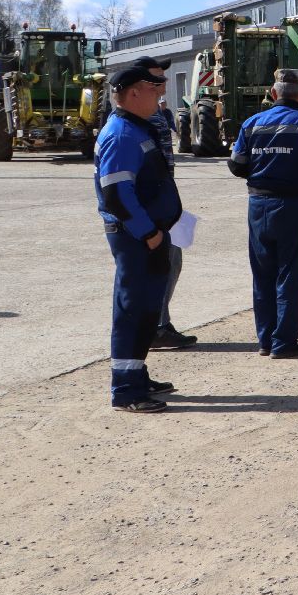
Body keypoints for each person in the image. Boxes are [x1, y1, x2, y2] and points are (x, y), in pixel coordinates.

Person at [94, 64, 182, 413]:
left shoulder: (134, 128)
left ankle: (136, 374)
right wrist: (149, 233)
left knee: (146, 311)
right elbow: (116, 194)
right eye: (153, 89)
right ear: (132, 93)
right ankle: (126, 390)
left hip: (148, 235)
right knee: (133, 311)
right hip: (137, 237)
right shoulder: (121, 134)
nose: (160, 95)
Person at [228, 68, 298, 358]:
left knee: (262, 275)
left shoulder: (251, 123)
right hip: (291, 205)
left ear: (273, 94)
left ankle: (265, 340)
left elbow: (237, 165)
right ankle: (284, 342)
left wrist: (262, 172)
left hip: (258, 206)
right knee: (288, 274)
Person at [136, 56, 196, 350]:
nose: (164, 84)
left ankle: (160, 323)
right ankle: (154, 327)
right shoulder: (138, 117)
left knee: (172, 263)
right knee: (158, 267)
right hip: (150, 206)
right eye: (157, 79)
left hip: (163, 200)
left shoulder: (156, 113)